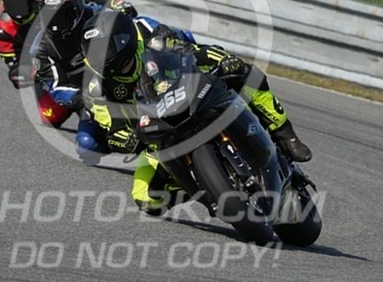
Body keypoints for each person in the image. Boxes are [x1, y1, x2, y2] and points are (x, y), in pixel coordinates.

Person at [79, 11, 312, 214]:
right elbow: (111, 130)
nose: (99, 57)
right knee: (144, 198)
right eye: (93, 52)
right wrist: (129, 139)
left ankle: (285, 134)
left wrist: (226, 61)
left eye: (104, 49)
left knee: (247, 74)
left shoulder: (148, 34)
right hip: (157, 130)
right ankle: (200, 185)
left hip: (189, 92)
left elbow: (194, 52)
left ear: (124, 41)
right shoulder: (95, 85)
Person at [27, 0, 137, 163]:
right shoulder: (41, 48)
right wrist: (81, 96)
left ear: (76, 9)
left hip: (122, 76)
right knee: (87, 147)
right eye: (49, 15)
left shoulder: (95, 15)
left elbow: (124, 14)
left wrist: (120, 6)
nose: (55, 23)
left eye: (62, 15)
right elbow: (56, 86)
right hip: (92, 96)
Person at [0, 0, 73, 127]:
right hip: (46, 72)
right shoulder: (3, 32)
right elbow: (15, 69)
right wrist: (26, 72)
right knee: (49, 116)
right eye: (11, 2)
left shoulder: (52, 5)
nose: (17, 9)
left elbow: (81, 0)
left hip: (73, 53)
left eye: (22, 2)